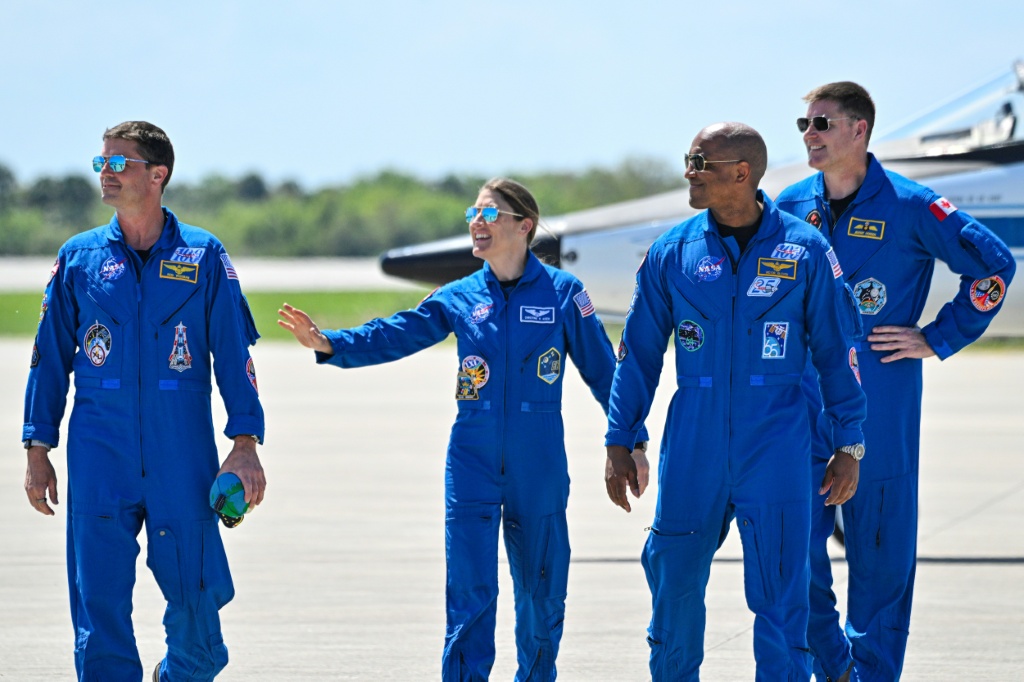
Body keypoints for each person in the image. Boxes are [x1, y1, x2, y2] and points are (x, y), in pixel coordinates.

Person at [278, 177, 648, 681]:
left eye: (489, 214)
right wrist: (331, 343)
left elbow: (606, 374)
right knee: (469, 593)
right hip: (472, 462)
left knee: (541, 592)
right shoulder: (459, 295)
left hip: (537, 465)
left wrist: (631, 441)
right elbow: (398, 332)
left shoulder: (564, 294)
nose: (477, 223)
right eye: (473, 214)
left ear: (525, 226)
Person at [604, 123, 867, 680]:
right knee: (673, 587)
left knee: (782, 600)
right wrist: (619, 438)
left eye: (700, 162)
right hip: (693, 448)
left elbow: (836, 351)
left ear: (742, 173)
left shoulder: (805, 250)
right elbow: (639, 355)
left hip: (776, 446)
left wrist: (849, 443)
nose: (689, 172)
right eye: (689, 159)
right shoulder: (672, 252)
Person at [775, 82, 1016, 682]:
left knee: (881, 554)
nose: (810, 135)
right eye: (805, 124)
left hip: (882, 399)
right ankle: (834, 666)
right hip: (803, 403)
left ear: (860, 129)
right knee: (793, 551)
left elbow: (994, 266)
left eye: (823, 123)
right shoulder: (788, 205)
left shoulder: (913, 205)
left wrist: (938, 337)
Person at [22, 121, 267, 682]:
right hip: (98, 452)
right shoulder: (79, 258)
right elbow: (48, 358)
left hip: (180, 452)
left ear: (158, 175)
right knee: (98, 609)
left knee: (199, 617)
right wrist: (37, 447)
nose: (105, 173)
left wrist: (245, 444)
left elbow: (235, 357)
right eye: (101, 162)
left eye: (119, 163)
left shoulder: (204, 256)